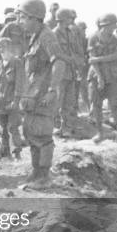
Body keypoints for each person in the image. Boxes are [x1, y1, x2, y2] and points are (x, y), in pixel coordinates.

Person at [18, 0, 65, 187]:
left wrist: (52, 90)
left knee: (42, 136)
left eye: (22, 17)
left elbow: (59, 62)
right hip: (33, 96)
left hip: (44, 96)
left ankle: (44, 177)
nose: (20, 21)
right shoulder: (34, 37)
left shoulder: (47, 36)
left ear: (34, 18)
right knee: (31, 133)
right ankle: (36, 172)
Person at [87, 13, 117, 143]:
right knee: (96, 106)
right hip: (96, 75)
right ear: (105, 25)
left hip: (112, 76)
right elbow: (92, 61)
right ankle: (100, 133)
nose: (115, 27)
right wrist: (100, 78)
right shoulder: (93, 37)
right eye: (113, 25)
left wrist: (99, 59)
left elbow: (116, 55)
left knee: (116, 105)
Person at [0, 37, 24, 160]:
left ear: (9, 48)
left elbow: (20, 83)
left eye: (3, 47)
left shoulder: (17, 63)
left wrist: (16, 100)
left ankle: (17, 153)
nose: (1, 50)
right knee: (3, 129)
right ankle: (5, 152)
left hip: (11, 102)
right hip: (0, 103)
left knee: (12, 127)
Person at [53, 8, 83, 137]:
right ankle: (55, 127)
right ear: (63, 19)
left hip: (70, 72)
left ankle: (66, 128)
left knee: (69, 101)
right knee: (57, 100)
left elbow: (76, 49)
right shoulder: (54, 33)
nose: (72, 20)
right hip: (59, 72)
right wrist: (69, 59)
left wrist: (78, 60)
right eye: (69, 18)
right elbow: (54, 53)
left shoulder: (71, 33)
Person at [75, 21, 90, 111]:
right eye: (82, 29)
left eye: (84, 29)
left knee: (84, 89)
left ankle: (88, 108)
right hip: (75, 67)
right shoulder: (73, 39)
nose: (84, 31)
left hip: (84, 68)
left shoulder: (85, 40)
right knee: (75, 90)